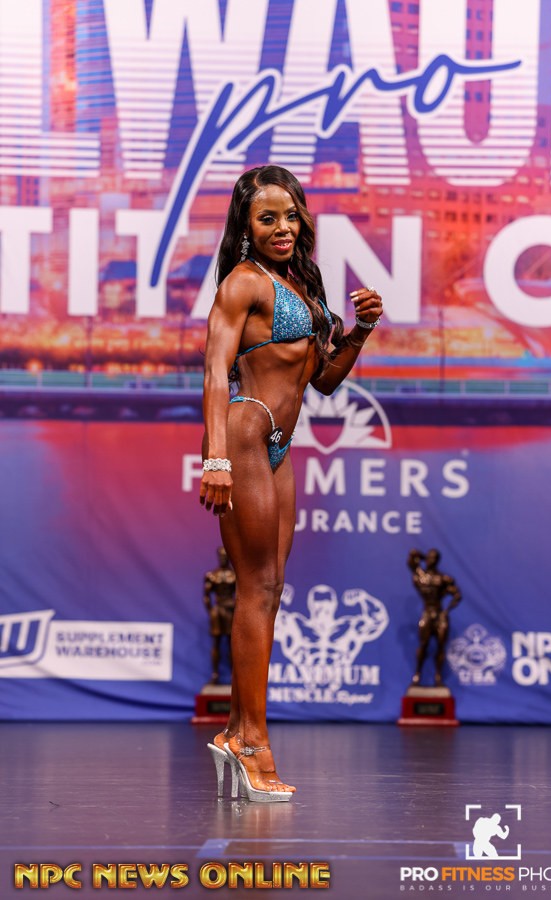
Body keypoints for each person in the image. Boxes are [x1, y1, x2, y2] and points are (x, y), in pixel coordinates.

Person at [200, 165, 382, 802]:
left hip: (279, 444)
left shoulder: (301, 282)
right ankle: (253, 744)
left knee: (270, 589)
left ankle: (235, 732)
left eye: (291, 215)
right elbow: (215, 372)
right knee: (256, 588)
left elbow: (323, 380)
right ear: (246, 227)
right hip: (245, 434)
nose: (283, 227)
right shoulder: (243, 283)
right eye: (267, 217)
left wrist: (360, 331)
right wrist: (215, 458)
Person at [407, 548, 462, 687]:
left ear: (437, 561)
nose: (430, 560)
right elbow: (412, 557)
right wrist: (422, 556)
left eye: (433, 558)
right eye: (429, 557)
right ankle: (417, 674)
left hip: (440, 614)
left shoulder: (443, 579)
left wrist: (447, 611)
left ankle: (438, 676)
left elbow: (457, 595)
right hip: (427, 613)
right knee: (423, 644)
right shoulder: (421, 577)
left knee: (441, 646)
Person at [203, 546, 236, 684]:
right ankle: (215, 674)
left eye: (225, 556)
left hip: (230, 610)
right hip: (217, 611)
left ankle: (234, 675)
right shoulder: (212, 576)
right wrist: (210, 610)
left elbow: (240, 595)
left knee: (232, 643)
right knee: (216, 643)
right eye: (221, 556)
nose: (223, 559)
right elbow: (206, 596)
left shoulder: (235, 576)